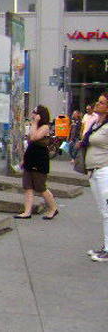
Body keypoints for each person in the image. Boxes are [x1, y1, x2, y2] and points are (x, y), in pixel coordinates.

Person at [15, 105, 59, 220]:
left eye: (34, 112)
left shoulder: (44, 127)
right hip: (30, 158)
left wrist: (34, 123)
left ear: (40, 114)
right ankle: (27, 211)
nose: (32, 114)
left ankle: (53, 208)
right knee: (27, 186)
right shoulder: (34, 126)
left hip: (39, 160)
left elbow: (34, 137)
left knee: (40, 186)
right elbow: (30, 144)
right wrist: (24, 159)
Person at [83, 93, 108, 262]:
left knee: (107, 212)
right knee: (103, 211)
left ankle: (107, 249)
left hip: (104, 171)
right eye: (97, 102)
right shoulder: (96, 123)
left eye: (101, 103)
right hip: (93, 171)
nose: (97, 104)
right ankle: (106, 246)